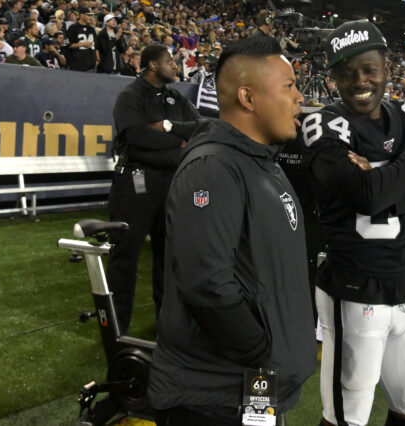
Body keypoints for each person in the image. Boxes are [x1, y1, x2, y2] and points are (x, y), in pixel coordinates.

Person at [148, 36, 317, 425]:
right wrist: (264, 351)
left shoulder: (264, 165)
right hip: (215, 399)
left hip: (252, 388)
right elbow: (205, 284)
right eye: (289, 86)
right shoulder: (212, 169)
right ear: (248, 97)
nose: (300, 98)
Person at [301, 20, 405, 426]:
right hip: (355, 288)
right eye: (347, 72)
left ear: (387, 68)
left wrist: (381, 185)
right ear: (333, 78)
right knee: (348, 413)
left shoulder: (404, 113)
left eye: (369, 68)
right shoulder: (324, 124)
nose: (360, 81)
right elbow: (369, 196)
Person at [107, 44, 200, 334]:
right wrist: (177, 143)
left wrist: (168, 127)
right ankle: (115, 326)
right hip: (135, 184)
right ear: (151, 65)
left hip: (171, 185)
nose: (175, 66)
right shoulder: (130, 96)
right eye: (169, 61)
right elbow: (135, 136)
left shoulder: (175, 98)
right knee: (125, 257)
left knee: (167, 257)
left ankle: (167, 325)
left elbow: (197, 129)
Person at [66, 6, 96, 71]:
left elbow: (95, 46)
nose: (91, 18)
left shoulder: (92, 29)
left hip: (90, 64)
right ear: (82, 15)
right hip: (77, 64)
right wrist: (82, 44)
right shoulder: (73, 28)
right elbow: (69, 45)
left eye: (91, 16)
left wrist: (96, 60)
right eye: (88, 15)